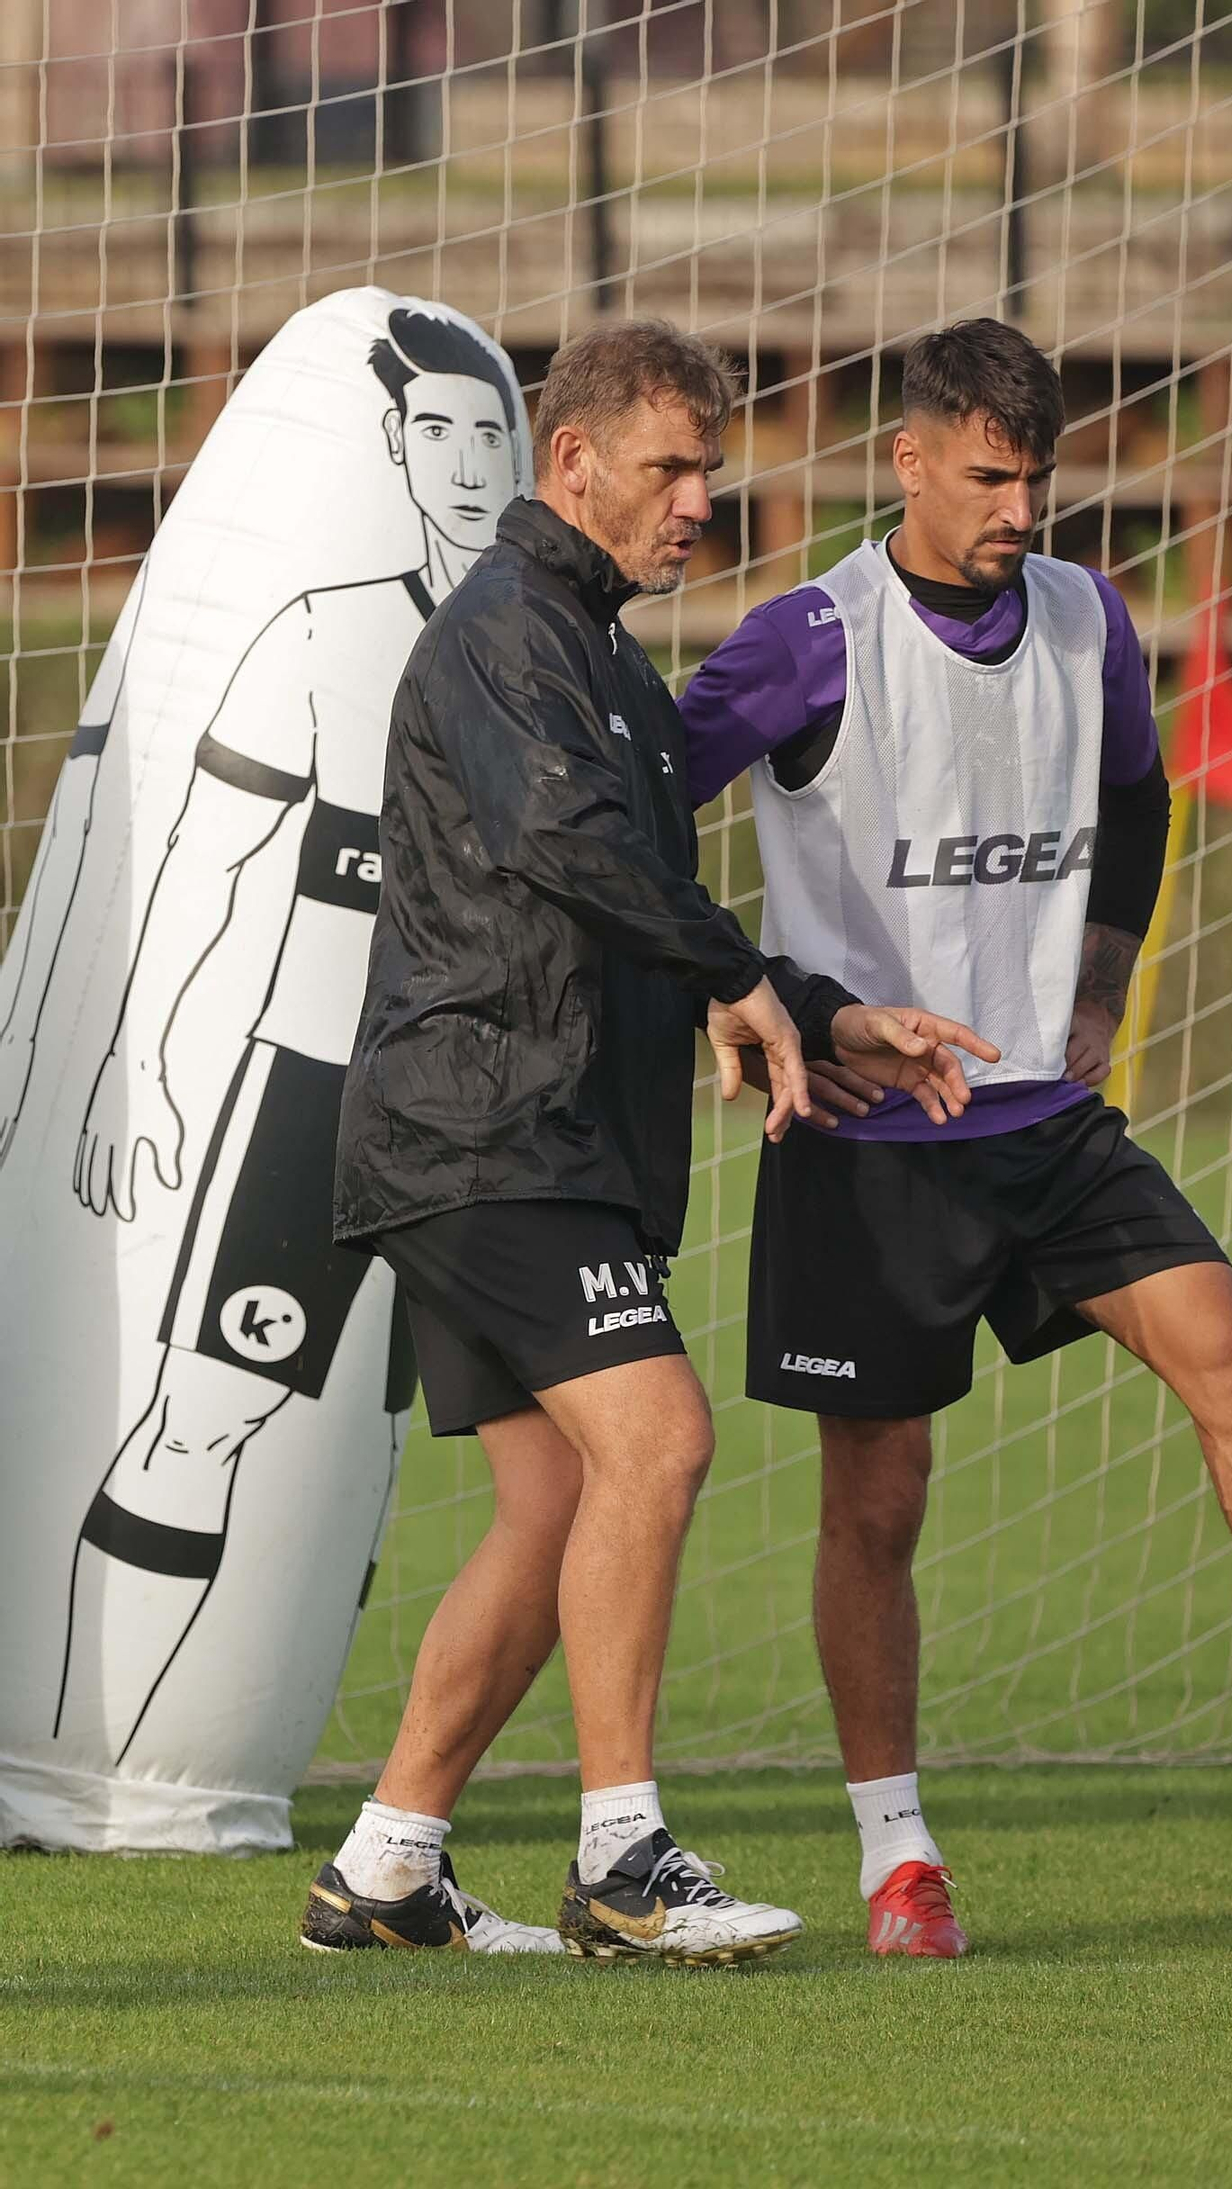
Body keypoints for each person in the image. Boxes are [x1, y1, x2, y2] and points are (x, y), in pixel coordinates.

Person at [679, 315, 1232, 1961]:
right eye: (989, 476)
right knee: (881, 1501)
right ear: (911, 459)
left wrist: (1100, 975)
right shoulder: (812, 638)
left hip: (1050, 1123)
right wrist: (765, 995)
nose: (1020, 508)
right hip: (873, 1142)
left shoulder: (1090, 619)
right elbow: (640, 811)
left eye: (1042, 477)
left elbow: (1140, 799)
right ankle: (898, 1856)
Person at [305, 318, 996, 1965]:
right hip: (488, 1131)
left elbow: (664, 898)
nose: (699, 499)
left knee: (556, 1507)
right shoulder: (503, 630)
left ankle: (388, 1865)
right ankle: (624, 1856)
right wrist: (741, 976)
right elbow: (563, 843)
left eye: (713, 470)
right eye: (671, 466)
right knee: (662, 1440)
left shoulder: (611, 660)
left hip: (532, 1138)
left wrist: (814, 1011)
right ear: (575, 462)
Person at [55, 306, 524, 1766]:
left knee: (403, 1462)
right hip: (316, 1097)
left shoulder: (545, 659)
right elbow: (204, 856)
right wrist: (142, 1079)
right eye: (433, 431)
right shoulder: (328, 632)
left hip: (488, 1115)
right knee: (206, 1423)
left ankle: (415, 1813)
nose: (459, 461)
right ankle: (95, 1770)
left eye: (485, 432)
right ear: (391, 447)